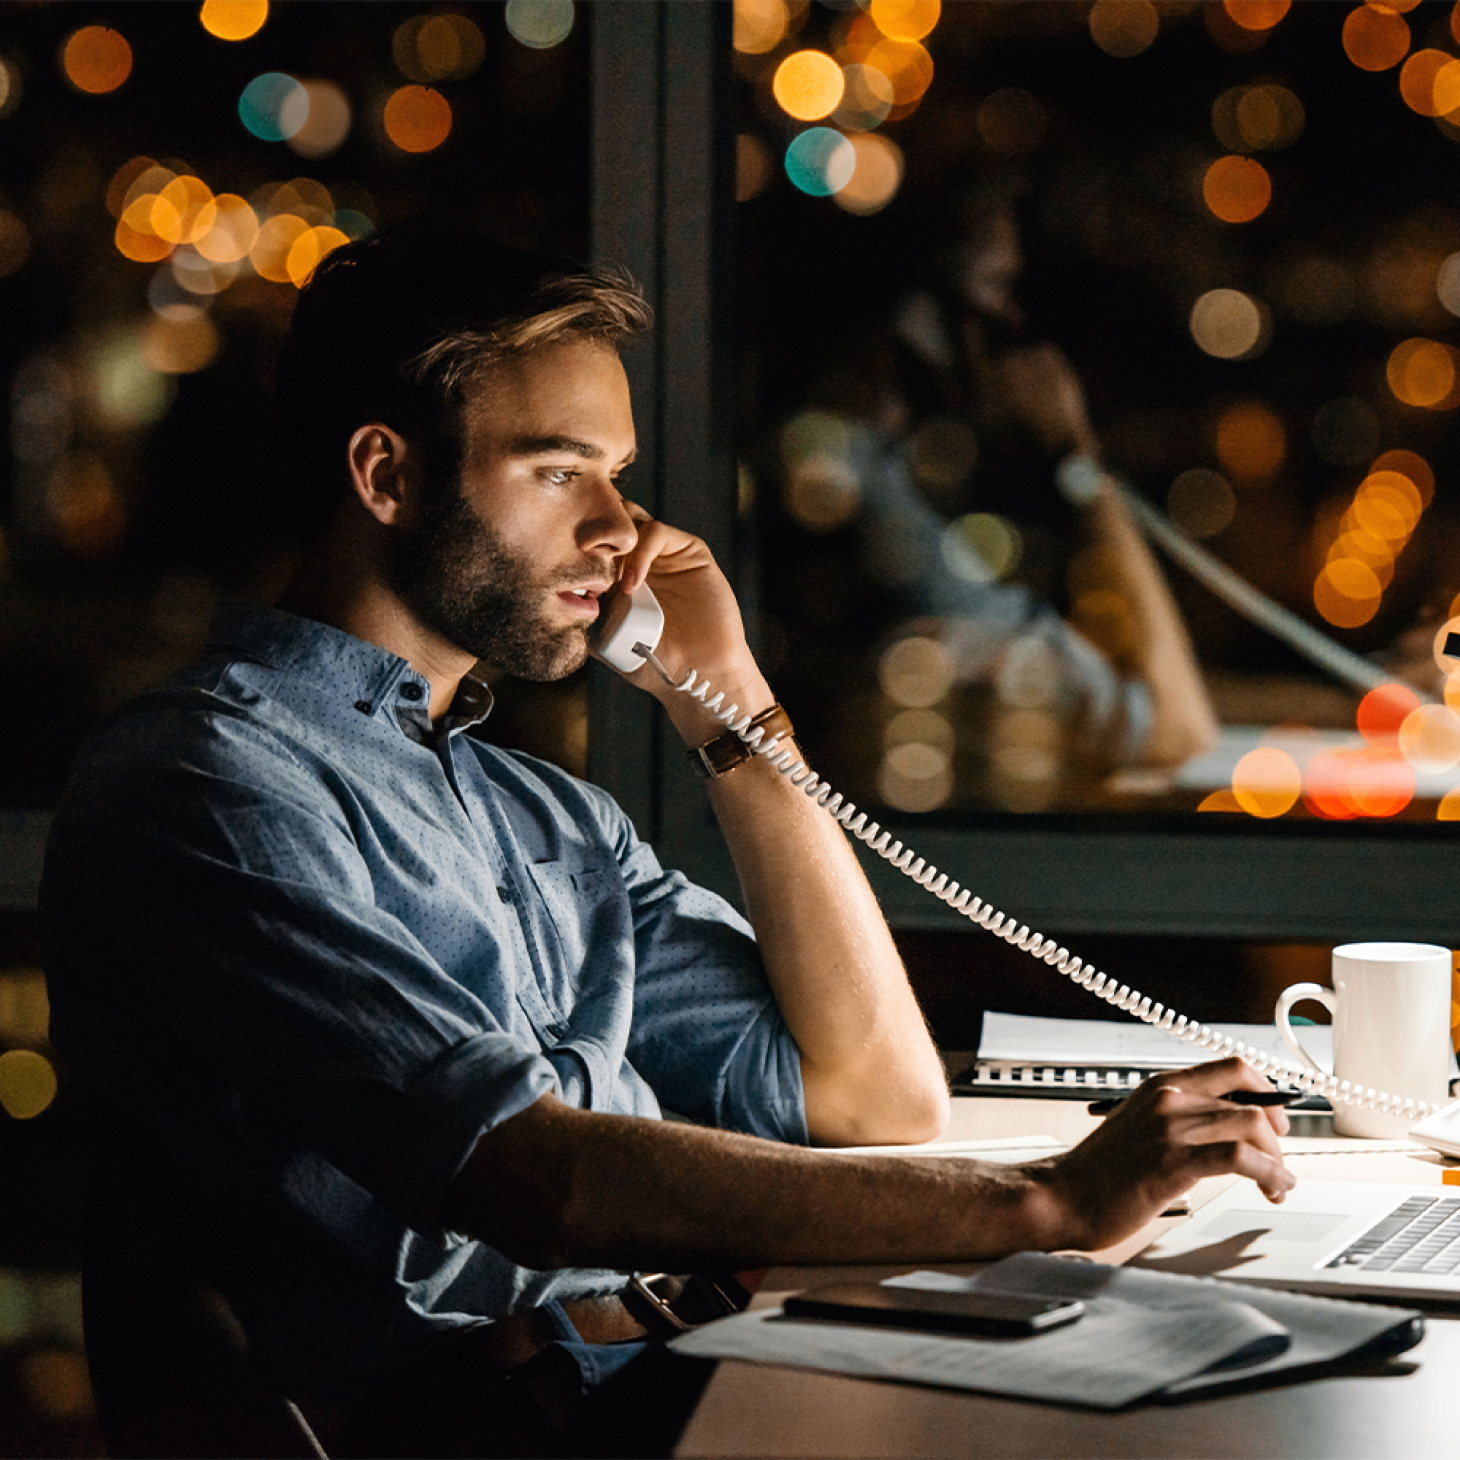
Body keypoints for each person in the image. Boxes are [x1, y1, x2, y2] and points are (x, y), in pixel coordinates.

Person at [39, 226, 1291, 1458]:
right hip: (500, 1421)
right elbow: (531, 1177)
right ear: (386, 475)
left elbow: (873, 1093)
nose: (619, 528)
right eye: (556, 470)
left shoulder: (544, 813)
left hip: (675, 1359)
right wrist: (1042, 1203)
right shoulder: (206, 782)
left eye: (615, 473)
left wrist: (735, 710)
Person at [788, 174, 1216, 809]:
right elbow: (1175, 731)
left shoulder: (865, 474)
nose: (1016, 327)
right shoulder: (877, 516)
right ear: (919, 314)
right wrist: (1075, 449)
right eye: (995, 290)